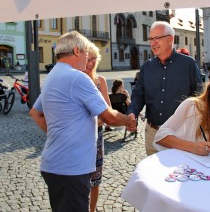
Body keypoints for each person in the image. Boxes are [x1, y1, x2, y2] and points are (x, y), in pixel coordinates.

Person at [29, 31, 136, 212]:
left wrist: (59, 134)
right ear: (77, 51)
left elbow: (35, 113)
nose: (88, 59)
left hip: (55, 165)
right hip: (71, 169)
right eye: (87, 53)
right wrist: (129, 121)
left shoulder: (53, 75)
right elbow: (107, 116)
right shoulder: (77, 77)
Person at [127, 21, 202, 156]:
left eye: (157, 38)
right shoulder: (147, 67)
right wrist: (132, 112)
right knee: (154, 174)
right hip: (153, 133)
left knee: (179, 173)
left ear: (170, 39)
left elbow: (199, 97)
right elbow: (138, 94)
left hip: (179, 133)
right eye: (150, 39)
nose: (152, 43)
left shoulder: (188, 64)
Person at [84, 43, 110, 212]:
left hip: (96, 137)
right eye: (88, 58)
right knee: (77, 179)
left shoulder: (100, 81)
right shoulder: (73, 80)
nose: (91, 63)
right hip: (77, 138)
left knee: (95, 180)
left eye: (94, 59)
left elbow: (108, 109)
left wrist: (97, 121)